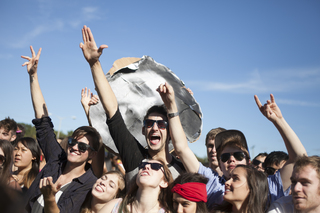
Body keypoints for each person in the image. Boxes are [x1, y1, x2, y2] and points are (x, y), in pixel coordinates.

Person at [161, 86, 307, 210]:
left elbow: (300, 159)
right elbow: (181, 148)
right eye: (224, 157)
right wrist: (172, 107)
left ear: (249, 161)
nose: (231, 159)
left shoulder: (267, 187)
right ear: (219, 163)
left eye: (238, 155)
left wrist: (278, 121)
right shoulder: (215, 186)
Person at [80, 25, 184, 189]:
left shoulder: (183, 169)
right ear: (143, 130)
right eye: (149, 123)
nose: (154, 128)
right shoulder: (134, 159)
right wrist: (94, 64)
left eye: (161, 124)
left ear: (170, 132)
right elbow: (112, 110)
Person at [21, 45, 101, 213]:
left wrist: (49, 197)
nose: (75, 148)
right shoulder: (57, 159)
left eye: (83, 146)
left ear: (92, 154)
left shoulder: (89, 183)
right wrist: (33, 76)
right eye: (73, 141)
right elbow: (43, 122)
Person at [99, 159, 173, 213]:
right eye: (142, 165)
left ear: (164, 182)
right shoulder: (115, 206)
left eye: (155, 166)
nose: (146, 166)